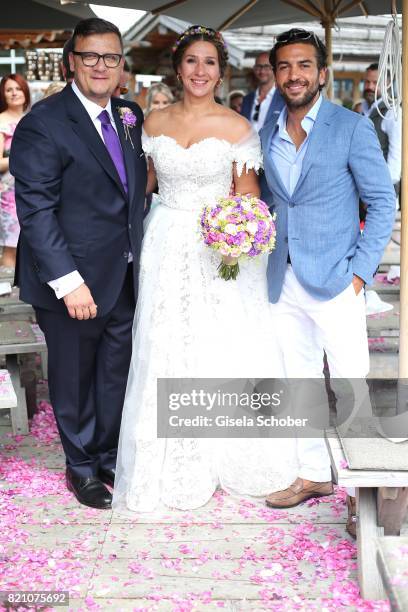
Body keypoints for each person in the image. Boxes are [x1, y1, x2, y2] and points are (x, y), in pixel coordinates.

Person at [113, 25, 298, 513]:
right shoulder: (151, 123)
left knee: (223, 339)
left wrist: (236, 234)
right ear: (179, 68)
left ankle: (228, 448)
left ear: (221, 70)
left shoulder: (239, 127)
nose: (200, 71)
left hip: (221, 248)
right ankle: (171, 457)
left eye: (210, 62)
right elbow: (143, 186)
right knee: (166, 339)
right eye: (192, 61)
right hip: (166, 240)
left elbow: (249, 197)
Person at [260, 30, 395, 527]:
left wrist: (359, 275)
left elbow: (383, 204)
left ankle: (367, 490)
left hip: (338, 279)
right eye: (284, 67)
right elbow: (276, 202)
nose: (293, 75)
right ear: (275, 74)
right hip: (282, 277)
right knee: (299, 383)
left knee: (350, 382)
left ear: (321, 73)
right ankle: (313, 473)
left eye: (303, 66)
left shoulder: (352, 127)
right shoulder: (268, 127)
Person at [10, 18, 147, 510]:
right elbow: (37, 211)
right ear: (71, 61)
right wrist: (70, 284)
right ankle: (82, 467)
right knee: (72, 376)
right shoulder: (42, 123)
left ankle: (108, 454)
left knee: (115, 371)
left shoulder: (130, 115)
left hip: (125, 275)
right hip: (70, 280)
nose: (100, 66)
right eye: (90, 56)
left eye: (110, 57)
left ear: (121, 64)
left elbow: (131, 195)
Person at [0, 74, 30, 270]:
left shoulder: (32, 118)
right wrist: (24, 157)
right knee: (11, 247)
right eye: (9, 89)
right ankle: (6, 295)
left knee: (29, 246)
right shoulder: (1, 122)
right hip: (9, 194)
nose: (14, 93)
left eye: (18, 88)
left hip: (32, 189)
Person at [361, 63, 401, 196]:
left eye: (375, 82)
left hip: (381, 193)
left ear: (387, 85)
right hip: (361, 191)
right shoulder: (362, 109)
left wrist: (380, 193)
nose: (370, 87)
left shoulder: (392, 112)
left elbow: (396, 159)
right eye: (367, 82)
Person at [240, 52, 285, 131]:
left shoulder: (283, 98)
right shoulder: (247, 99)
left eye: (267, 67)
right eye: (259, 67)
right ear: (254, 69)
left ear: (274, 69)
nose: (262, 71)